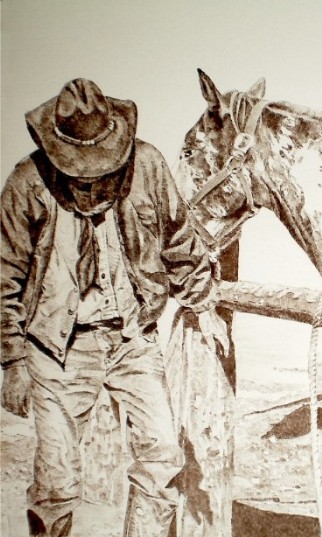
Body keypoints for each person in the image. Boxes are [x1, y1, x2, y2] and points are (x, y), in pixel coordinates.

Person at [0, 78, 230, 536]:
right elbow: (3, 276)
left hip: (132, 338)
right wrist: (12, 361)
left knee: (162, 457)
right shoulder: (27, 181)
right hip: (57, 348)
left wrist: (203, 303)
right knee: (56, 481)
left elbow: (179, 238)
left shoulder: (147, 165)